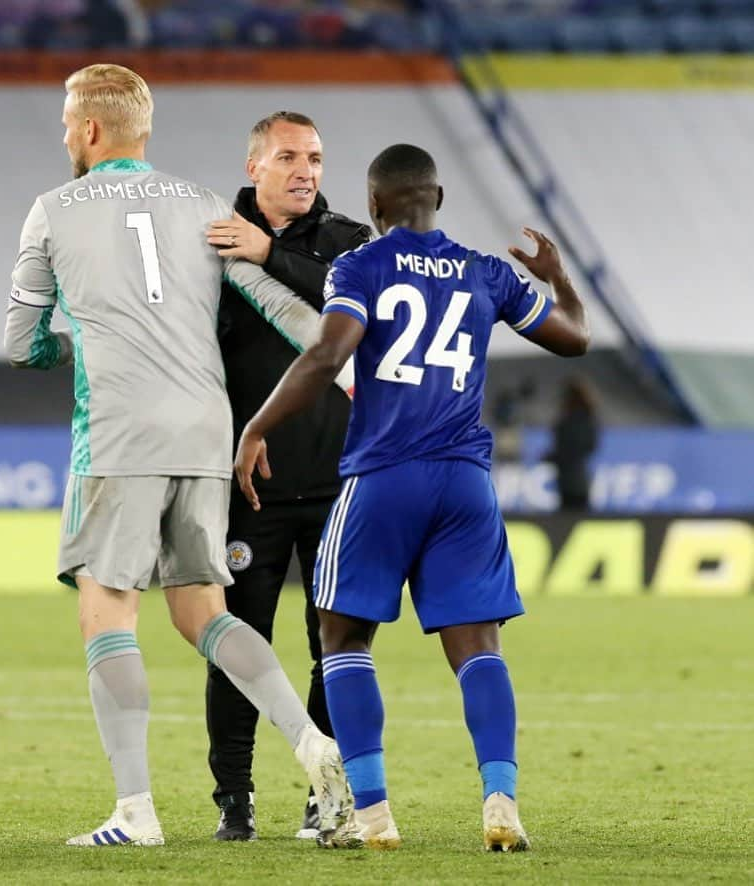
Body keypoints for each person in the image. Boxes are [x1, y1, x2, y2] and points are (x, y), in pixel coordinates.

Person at [3, 63, 353, 847]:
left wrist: (73, 347)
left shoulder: (53, 210)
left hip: (120, 434)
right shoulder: (200, 206)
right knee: (202, 610)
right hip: (206, 433)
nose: (66, 133)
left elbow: (20, 344)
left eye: (68, 122)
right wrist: (352, 373)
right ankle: (311, 741)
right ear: (144, 129)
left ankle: (135, 811)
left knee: (107, 606)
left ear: (91, 129)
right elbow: (282, 307)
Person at [234, 144, 589, 851]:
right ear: (440, 197)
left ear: (372, 205)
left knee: (340, 635)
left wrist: (257, 425)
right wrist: (557, 279)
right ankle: (500, 801)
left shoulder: (360, 265)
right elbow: (575, 339)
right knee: (478, 646)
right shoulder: (488, 272)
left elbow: (327, 356)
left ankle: (373, 814)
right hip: (464, 481)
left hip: (384, 476)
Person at [202, 111, 372, 842]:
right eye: (288, 157)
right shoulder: (208, 242)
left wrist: (269, 252)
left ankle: (321, 796)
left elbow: (345, 314)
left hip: (339, 483)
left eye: (315, 158)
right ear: (254, 166)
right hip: (248, 488)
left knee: (335, 643)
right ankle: (234, 800)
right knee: (239, 641)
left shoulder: (349, 244)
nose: (305, 170)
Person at [547, 376, 600, 511]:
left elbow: (568, 449)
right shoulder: (589, 420)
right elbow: (591, 446)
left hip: (571, 480)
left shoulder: (570, 422)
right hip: (577, 479)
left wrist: (554, 456)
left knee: (570, 513)